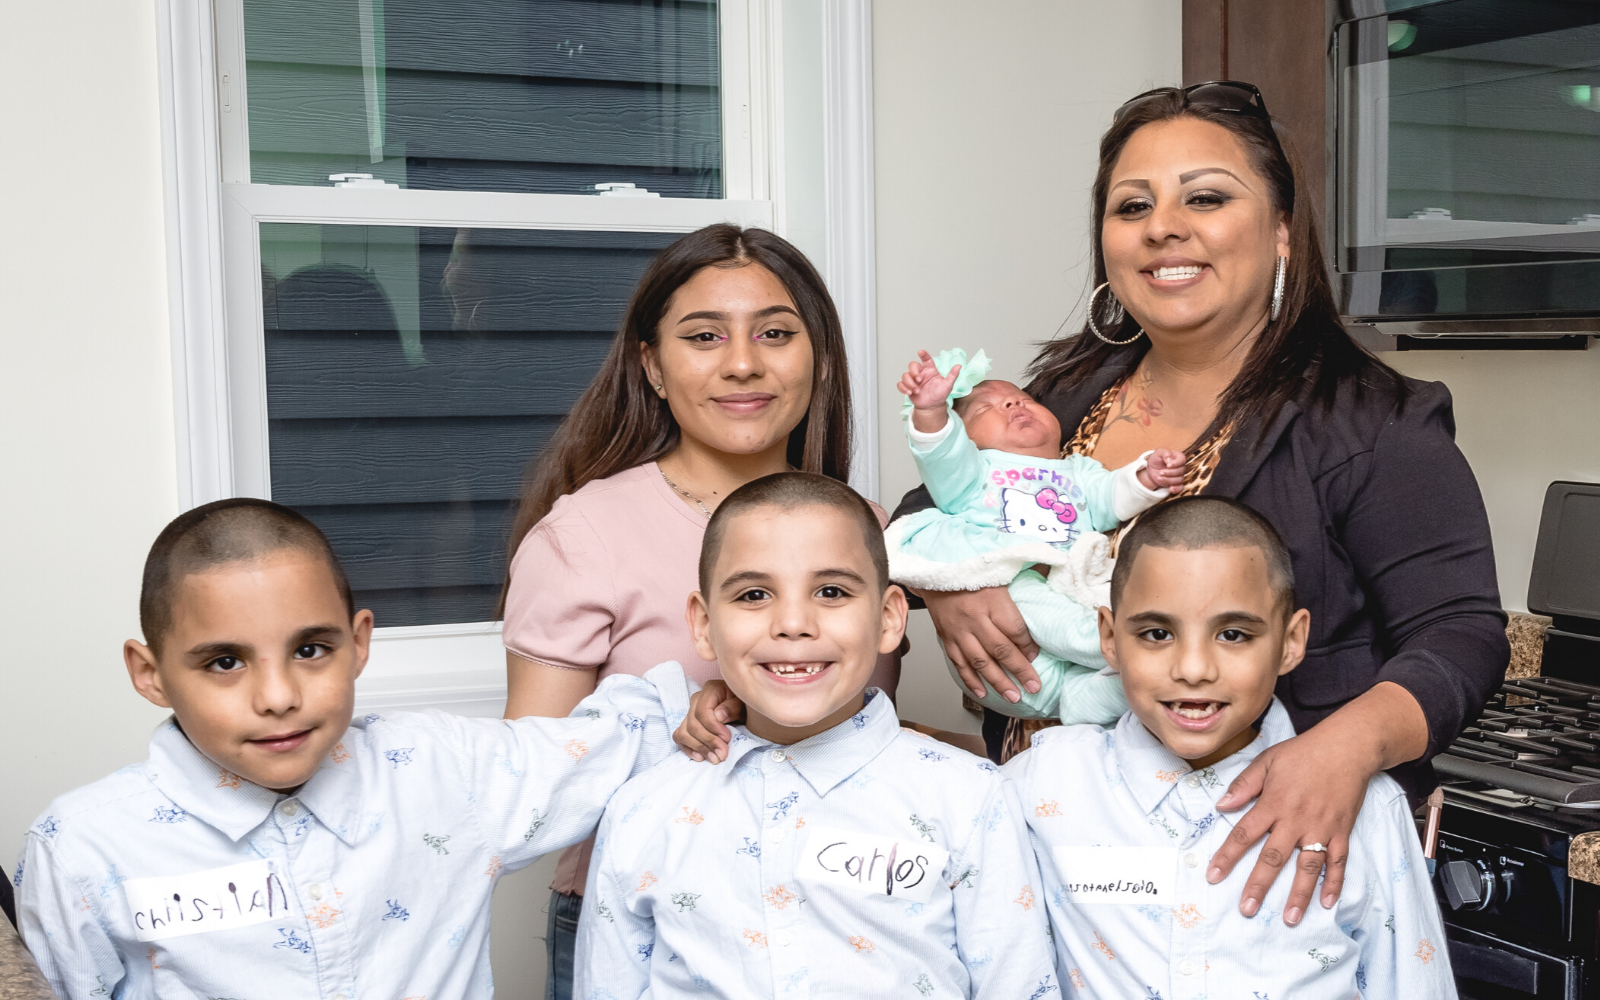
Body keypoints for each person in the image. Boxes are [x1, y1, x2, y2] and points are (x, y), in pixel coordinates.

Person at [893, 81, 1509, 925]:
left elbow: (1462, 636)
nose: (1163, 227)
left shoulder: (1375, 424)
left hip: (1259, 863)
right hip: (1053, 859)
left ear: (1283, 227)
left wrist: (1344, 750)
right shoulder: (1066, 396)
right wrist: (951, 585)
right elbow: (929, 507)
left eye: (1207, 198)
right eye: (1131, 205)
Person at [15, 499, 688, 1000]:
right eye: (224, 662)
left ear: (359, 643)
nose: (278, 696)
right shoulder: (84, 847)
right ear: (150, 673)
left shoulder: (441, 773)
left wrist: (710, 700)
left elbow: (607, 743)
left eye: (311, 650)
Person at [500, 223, 898, 999]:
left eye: (776, 334)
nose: (743, 362)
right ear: (651, 364)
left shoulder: (867, 531)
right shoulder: (584, 534)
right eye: (704, 335)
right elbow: (532, 792)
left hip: (840, 908)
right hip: (643, 920)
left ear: (817, 360)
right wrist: (681, 721)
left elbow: (871, 743)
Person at [575, 473, 1055, 999]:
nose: (793, 622)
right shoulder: (644, 808)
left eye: (831, 591)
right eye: (754, 594)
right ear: (703, 626)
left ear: (890, 618)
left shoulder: (970, 798)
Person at [1007, 496, 1456, 998]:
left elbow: (1415, 984)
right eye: (1157, 633)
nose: (1194, 668)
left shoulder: (1368, 810)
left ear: (1290, 641)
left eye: (1234, 634)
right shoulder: (1041, 785)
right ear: (1110, 638)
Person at [890, 346, 1183, 723]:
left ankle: (1133, 675)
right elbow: (942, 456)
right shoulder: (973, 473)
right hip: (1004, 604)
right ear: (967, 440)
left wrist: (1148, 476)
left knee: (1093, 694)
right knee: (1034, 595)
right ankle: (1123, 645)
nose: (1013, 404)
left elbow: (1111, 495)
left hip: (1055, 655)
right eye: (985, 409)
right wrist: (931, 412)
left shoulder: (1079, 469)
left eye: (1022, 398)